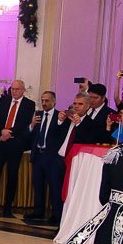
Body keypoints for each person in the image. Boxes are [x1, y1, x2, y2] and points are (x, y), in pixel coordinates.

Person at [0, 79, 35, 217]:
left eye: (17, 89)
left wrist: (10, 132)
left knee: (12, 175)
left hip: (15, 143)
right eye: (12, 89)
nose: (14, 91)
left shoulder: (29, 104)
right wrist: (2, 131)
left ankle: (8, 206)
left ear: (23, 90)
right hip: (1, 141)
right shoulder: (4, 101)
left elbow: (24, 123)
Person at [25, 91, 70, 226]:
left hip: (52, 157)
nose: (44, 103)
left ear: (54, 102)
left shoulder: (60, 116)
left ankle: (56, 214)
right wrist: (32, 125)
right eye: (42, 100)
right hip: (38, 155)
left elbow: (61, 134)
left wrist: (60, 122)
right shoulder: (37, 115)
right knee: (38, 185)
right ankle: (38, 211)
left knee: (55, 186)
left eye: (47, 101)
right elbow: (29, 134)